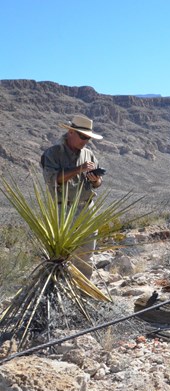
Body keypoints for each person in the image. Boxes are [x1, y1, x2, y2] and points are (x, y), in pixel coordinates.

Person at [40, 115, 104, 278]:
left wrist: (96, 180)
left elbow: (97, 183)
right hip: (64, 210)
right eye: (83, 136)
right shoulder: (53, 154)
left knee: (86, 253)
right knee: (63, 255)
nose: (86, 141)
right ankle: (62, 286)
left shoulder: (88, 154)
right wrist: (78, 169)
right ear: (70, 132)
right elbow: (52, 180)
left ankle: (82, 289)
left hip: (87, 208)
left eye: (88, 138)